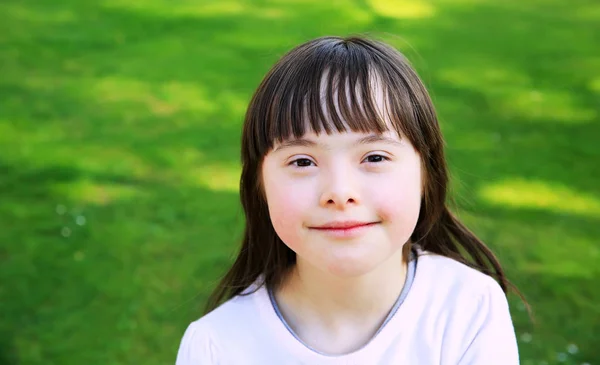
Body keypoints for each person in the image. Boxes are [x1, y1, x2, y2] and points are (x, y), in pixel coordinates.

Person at [175, 35, 526, 364]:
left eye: (374, 157)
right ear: (260, 186)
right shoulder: (216, 346)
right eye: (302, 161)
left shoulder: (466, 307)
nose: (340, 193)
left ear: (426, 174)